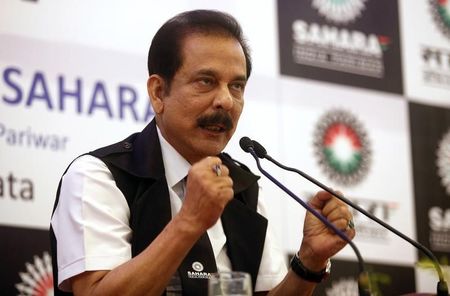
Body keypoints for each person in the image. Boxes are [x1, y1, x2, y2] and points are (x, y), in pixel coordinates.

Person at [50, 9, 355, 296]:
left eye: (236, 86)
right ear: (158, 93)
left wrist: (309, 262)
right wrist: (190, 221)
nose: (225, 101)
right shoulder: (99, 176)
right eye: (206, 81)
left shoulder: (243, 187)